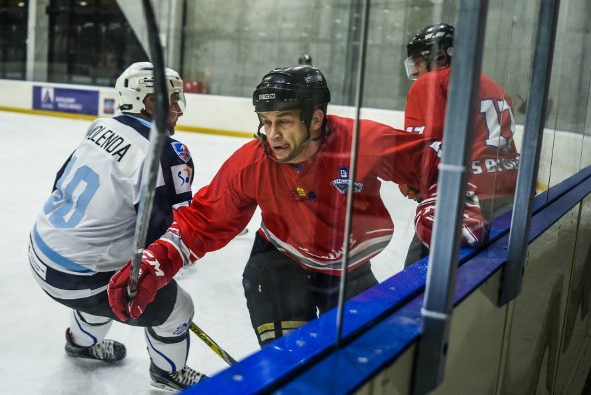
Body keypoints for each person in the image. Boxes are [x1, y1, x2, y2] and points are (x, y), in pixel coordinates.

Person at [107, 65, 487, 348]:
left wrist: (445, 201)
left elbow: (439, 164)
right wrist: (156, 263)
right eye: (266, 122)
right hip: (278, 266)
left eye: (284, 122)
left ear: (317, 118)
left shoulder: (362, 143)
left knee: (369, 359)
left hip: (350, 271)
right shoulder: (252, 163)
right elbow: (204, 220)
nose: (272, 135)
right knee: (295, 364)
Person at [27, 62, 206, 391]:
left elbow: (58, 182)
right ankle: (168, 374)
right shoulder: (166, 152)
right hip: (80, 277)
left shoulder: (100, 126)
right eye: (174, 100)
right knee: (179, 308)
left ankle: (80, 343)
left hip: (40, 254)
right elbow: (167, 230)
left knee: (108, 276)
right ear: (151, 103)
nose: (179, 109)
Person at [400, 23, 520, 266]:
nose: (414, 69)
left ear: (439, 56)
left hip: (463, 201)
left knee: (412, 281)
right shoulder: (494, 86)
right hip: (507, 194)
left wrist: (412, 181)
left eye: (419, 61)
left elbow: (422, 148)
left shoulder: (430, 83)